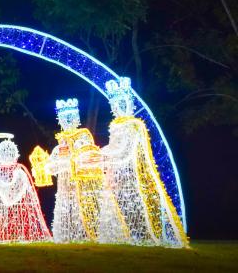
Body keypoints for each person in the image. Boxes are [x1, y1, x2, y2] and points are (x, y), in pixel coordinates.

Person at [94, 77, 188, 247]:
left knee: (138, 207)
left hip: (135, 176)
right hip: (118, 175)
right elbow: (115, 147)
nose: (119, 107)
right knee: (120, 207)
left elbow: (124, 150)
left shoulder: (134, 125)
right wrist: (103, 154)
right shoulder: (116, 126)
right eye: (115, 104)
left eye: (122, 102)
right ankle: (125, 236)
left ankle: (146, 235)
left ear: (129, 102)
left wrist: (102, 154)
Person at [0, 135, 51, 243]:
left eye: (8, 153)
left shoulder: (19, 171)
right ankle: (4, 236)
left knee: (18, 219)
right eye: (4, 153)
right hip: (1, 208)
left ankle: (20, 235)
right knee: (4, 222)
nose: (6, 155)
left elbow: (14, 190)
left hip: (18, 206)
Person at [45, 98, 103, 243]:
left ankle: (85, 234)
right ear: (60, 119)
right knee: (66, 209)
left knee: (81, 209)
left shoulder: (83, 137)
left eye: (70, 117)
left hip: (80, 185)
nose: (67, 120)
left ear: (76, 118)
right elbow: (51, 166)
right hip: (64, 187)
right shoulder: (60, 145)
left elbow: (86, 156)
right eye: (64, 117)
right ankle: (65, 235)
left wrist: (66, 162)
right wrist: (48, 165)